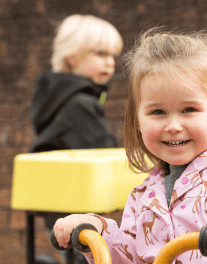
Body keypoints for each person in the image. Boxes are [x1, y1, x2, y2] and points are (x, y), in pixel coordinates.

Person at [53, 28, 207, 264]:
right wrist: (97, 232)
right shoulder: (144, 195)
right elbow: (135, 257)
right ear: (138, 122)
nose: (173, 125)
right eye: (158, 112)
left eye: (189, 109)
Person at [29, 14, 123, 264]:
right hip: (75, 202)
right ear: (72, 57)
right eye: (101, 54)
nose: (110, 63)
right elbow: (101, 148)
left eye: (112, 56)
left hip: (57, 200)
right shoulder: (80, 103)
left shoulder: (58, 98)